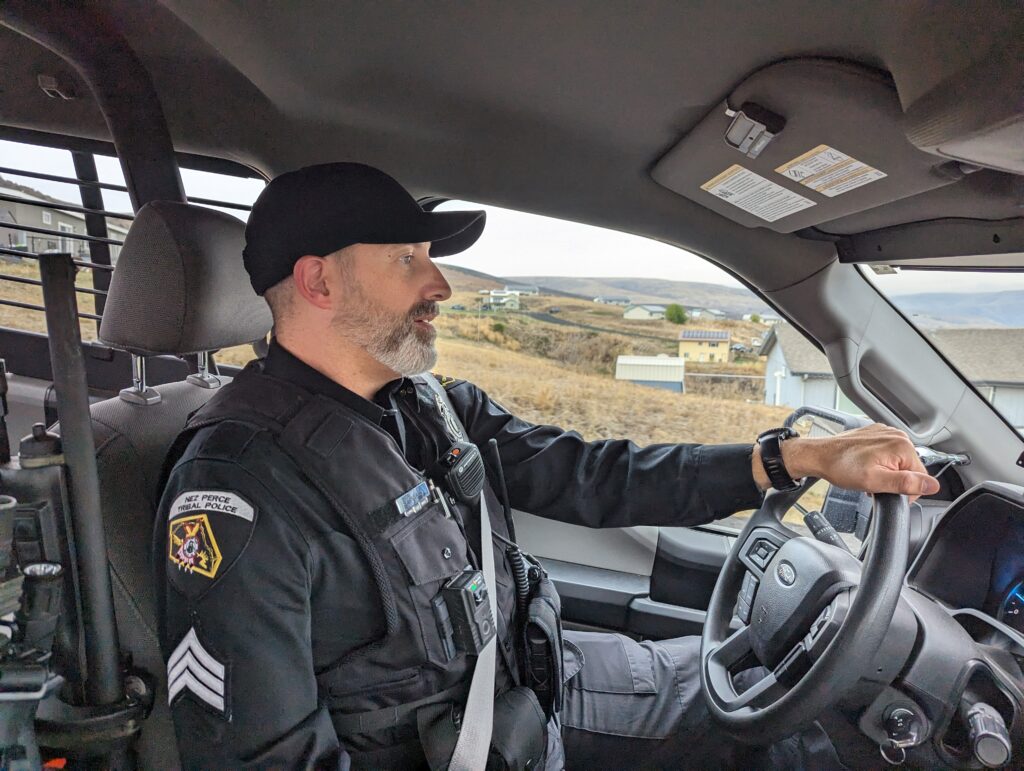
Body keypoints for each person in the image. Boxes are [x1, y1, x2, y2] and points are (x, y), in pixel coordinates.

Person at [154, 162, 940, 769]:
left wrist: (789, 458)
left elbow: (591, 474)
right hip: (463, 738)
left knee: (772, 689)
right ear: (317, 279)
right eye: (407, 259)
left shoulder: (424, 404)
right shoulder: (238, 485)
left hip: (527, 682)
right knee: (789, 736)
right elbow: (262, 756)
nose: (441, 285)